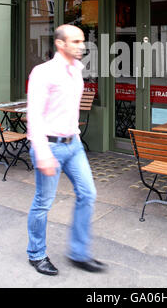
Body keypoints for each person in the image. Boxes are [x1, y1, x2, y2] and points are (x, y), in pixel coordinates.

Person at [26, 24, 107, 276]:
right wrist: (42, 153)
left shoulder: (77, 70)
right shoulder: (43, 72)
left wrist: (75, 136)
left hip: (74, 145)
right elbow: (35, 115)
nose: (81, 45)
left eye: (82, 41)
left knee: (88, 194)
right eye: (75, 41)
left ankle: (78, 253)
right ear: (60, 44)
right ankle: (36, 254)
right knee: (43, 202)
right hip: (50, 146)